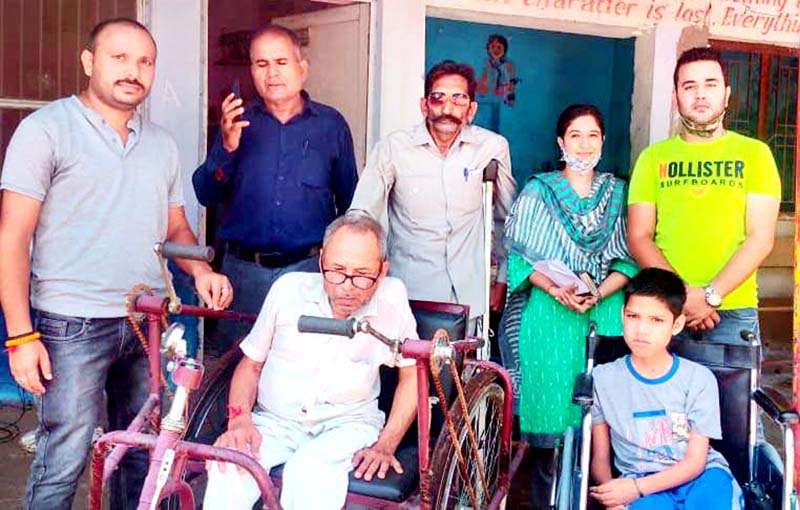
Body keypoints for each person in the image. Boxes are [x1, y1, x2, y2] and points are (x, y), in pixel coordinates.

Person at [0, 18, 232, 510]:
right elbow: (12, 237)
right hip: (71, 323)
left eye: (145, 61)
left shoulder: (162, 144)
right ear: (89, 62)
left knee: (140, 453)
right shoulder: (44, 131)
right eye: (119, 58)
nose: (134, 71)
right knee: (63, 457)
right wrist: (20, 336)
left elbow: (176, 229)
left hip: (147, 320)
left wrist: (202, 271)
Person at [203, 211, 418, 510]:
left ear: (382, 272)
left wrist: (386, 443)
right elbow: (251, 364)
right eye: (337, 271)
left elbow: (412, 376)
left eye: (362, 276)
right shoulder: (288, 290)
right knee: (229, 469)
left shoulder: (392, 298)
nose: (347, 285)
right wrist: (239, 420)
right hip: (276, 421)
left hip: (347, 425)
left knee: (309, 472)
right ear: (321, 264)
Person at [501, 104, 637, 508]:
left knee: (599, 421)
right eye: (575, 135)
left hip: (604, 315)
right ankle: (547, 501)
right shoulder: (538, 191)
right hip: (548, 319)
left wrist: (599, 293)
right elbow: (517, 258)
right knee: (551, 421)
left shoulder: (618, 193)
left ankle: (595, 500)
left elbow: (629, 257)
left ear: (603, 141)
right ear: (561, 142)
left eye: (592, 135)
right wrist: (555, 288)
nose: (584, 143)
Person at [193, 24, 358, 349]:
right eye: (261, 64)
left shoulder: (331, 125)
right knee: (236, 370)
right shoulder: (237, 123)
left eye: (281, 62)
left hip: (308, 271)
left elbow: (351, 205)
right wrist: (226, 146)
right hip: (244, 275)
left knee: (304, 365)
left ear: (302, 68)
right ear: (252, 70)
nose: (272, 73)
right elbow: (205, 193)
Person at [627, 46, 781, 344]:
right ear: (675, 97)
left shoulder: (755, 155)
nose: (700, 94)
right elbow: (639, 236)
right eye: (689, 86)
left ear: (726, 94)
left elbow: (760, 237)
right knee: (661, 392)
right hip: (665, 308)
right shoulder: (652, 158)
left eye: (710, 85)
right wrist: (683, 296)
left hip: (733, 310)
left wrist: (711, 296)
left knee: (733, 393)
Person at [350, 60, 516, 328]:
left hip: (467, 294)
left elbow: (506, 220)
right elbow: (362, 215)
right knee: (404, 368)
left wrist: (502, 280)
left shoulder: (492, 147)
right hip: (407, 292)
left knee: (456, 370)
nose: (447, 109)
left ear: (472, 109)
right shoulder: (393, 148)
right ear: (424, 105)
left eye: (458, 99)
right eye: (438, 98)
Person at [590, 268, 743, 510]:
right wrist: (614, 495)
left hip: (702, 478)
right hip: (639, 482)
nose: (641, 330)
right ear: (622, 314)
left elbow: (695, 463)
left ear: (677, 324)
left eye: (656, 320)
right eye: (633, 316)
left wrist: (636, 489)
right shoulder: (602, 380)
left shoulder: (698, 380)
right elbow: (599, 459)